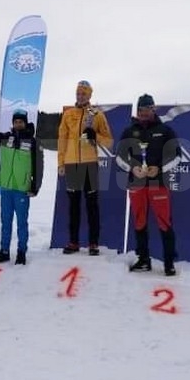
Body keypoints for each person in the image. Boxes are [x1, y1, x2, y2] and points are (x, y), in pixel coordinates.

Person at [116, 94, 181, 276]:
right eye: (141, 109)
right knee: (139, 221)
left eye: (147, 109)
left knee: (164, 222)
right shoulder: (129, 131)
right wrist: (132, 168)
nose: (144, 113)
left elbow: (177, 156)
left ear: (154, 109)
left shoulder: (165, 130)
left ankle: (169, 263)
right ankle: (144, 260)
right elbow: (119, 157)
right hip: (136, 184)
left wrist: (158, 169)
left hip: (158, 184)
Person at [0, 105, 44, 265]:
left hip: (22, 190)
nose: (18, 124)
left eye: (21, 121)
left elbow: (38, 166)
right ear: (13, 123)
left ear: (25, 123)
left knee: (22, 222)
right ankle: (4, 251)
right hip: (6, 188)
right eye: (16, 121)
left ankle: (21, 252)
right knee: (5, 221)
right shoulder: (6, 138)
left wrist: (34, 187)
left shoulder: (33, 142)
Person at [57, 80, 113, 256]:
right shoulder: (68, 114)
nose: (80, 96)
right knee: (73, 206)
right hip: (72, 164)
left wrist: (94, 135)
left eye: (84, 94)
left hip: (90, 164)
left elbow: (109, 141)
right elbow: (62, 140)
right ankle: (73, 242)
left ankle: (93, 243)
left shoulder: (97, 114)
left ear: (90, 95)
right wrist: (60, 163)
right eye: (78, 93)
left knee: (92, 205)